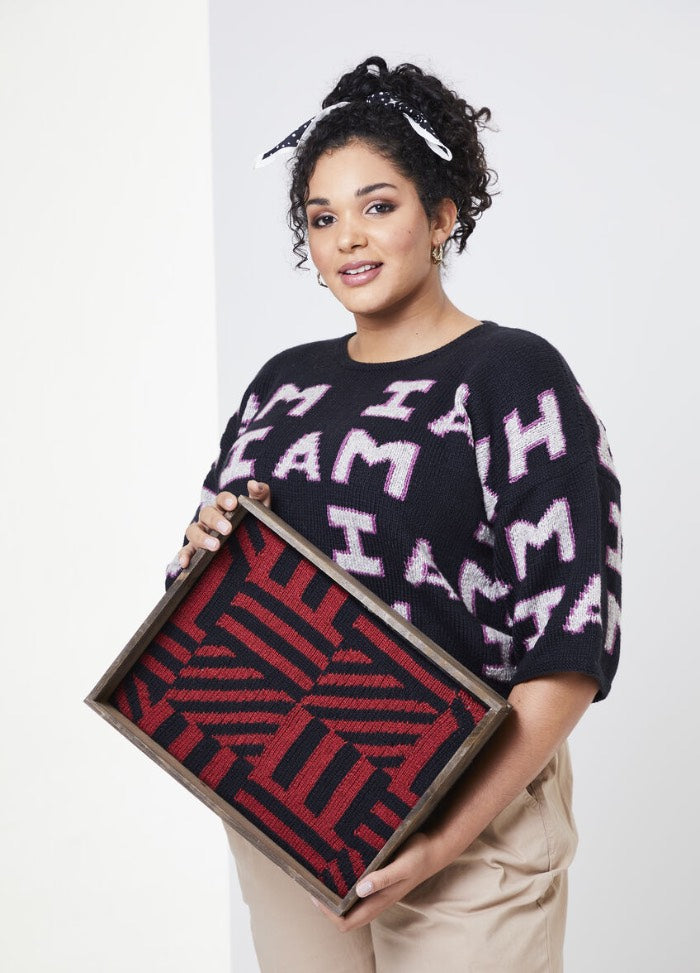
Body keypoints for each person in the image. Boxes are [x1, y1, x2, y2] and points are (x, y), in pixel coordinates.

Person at [164, 55, 622, 973]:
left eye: (378, 206)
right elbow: (212, 605)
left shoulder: (512, 377)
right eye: (322, 218)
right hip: (293, 804)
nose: (348, 240)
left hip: (473, 818)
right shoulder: (283, 385)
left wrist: (442, 839)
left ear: (442, 214)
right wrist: (200, 553)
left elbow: (570, 645)